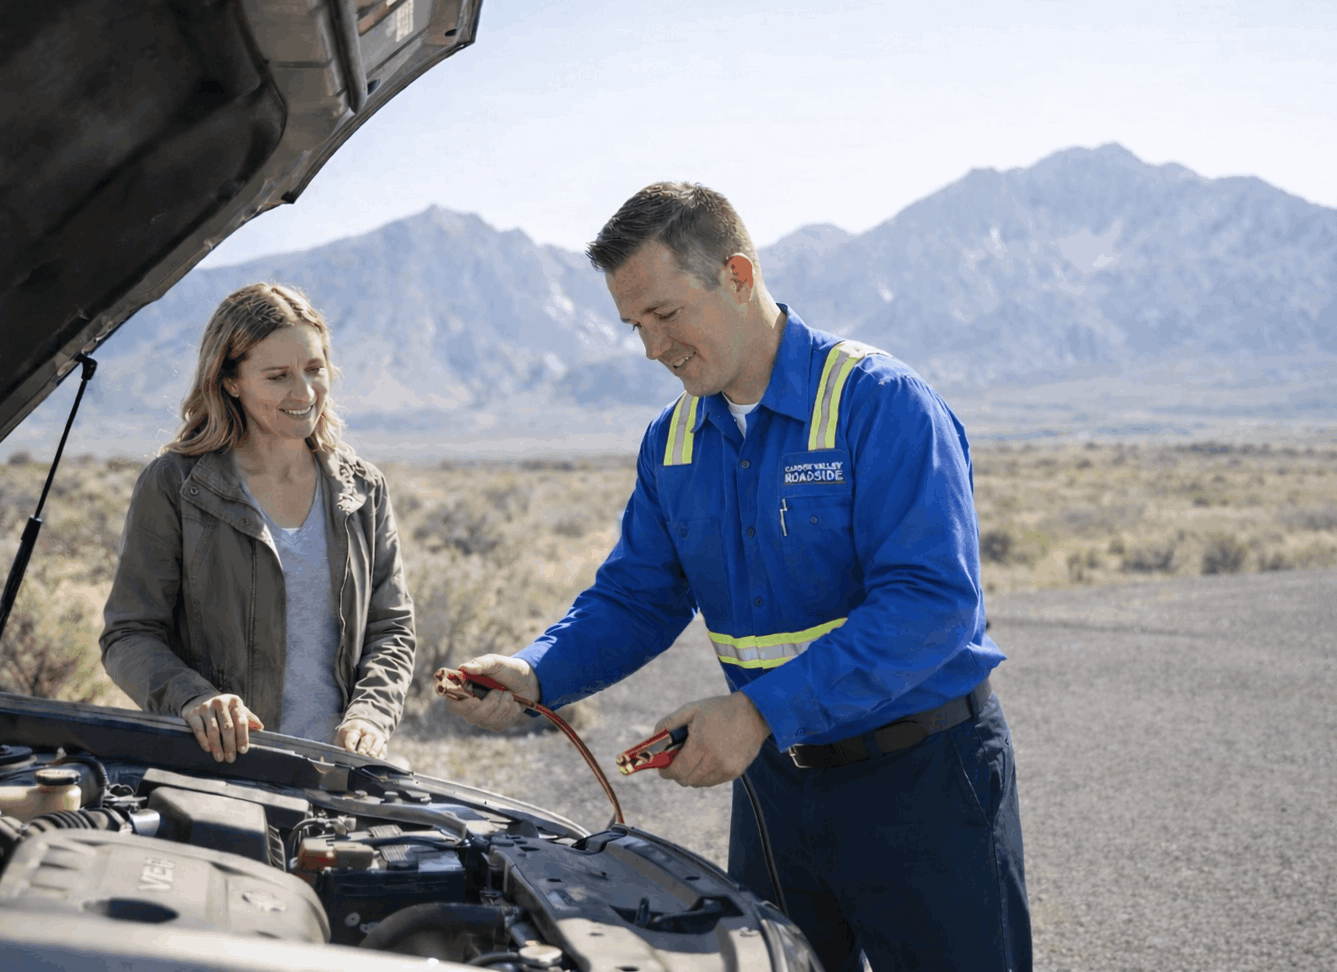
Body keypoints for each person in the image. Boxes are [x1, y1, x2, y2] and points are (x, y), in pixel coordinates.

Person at [442, 183, 1030, 972]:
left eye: (667, 314)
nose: (654, 348)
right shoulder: (673, 440)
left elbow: (932, 606)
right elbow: (637, 599)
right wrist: (533, 671)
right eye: (635, 327)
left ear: (738, 274)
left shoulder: (881, 404)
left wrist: (757, 711)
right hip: (777, 795)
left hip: (922, 785)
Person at [101, 283, 415, 764]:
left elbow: (391, 628)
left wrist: (370, 714)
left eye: (315, 369)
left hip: (337, 774)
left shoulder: (362, 489)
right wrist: (192, 697)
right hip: (217, 771)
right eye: (277, 376)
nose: (304, 392)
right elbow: (129, 633)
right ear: (230, 381)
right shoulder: (176, 485)